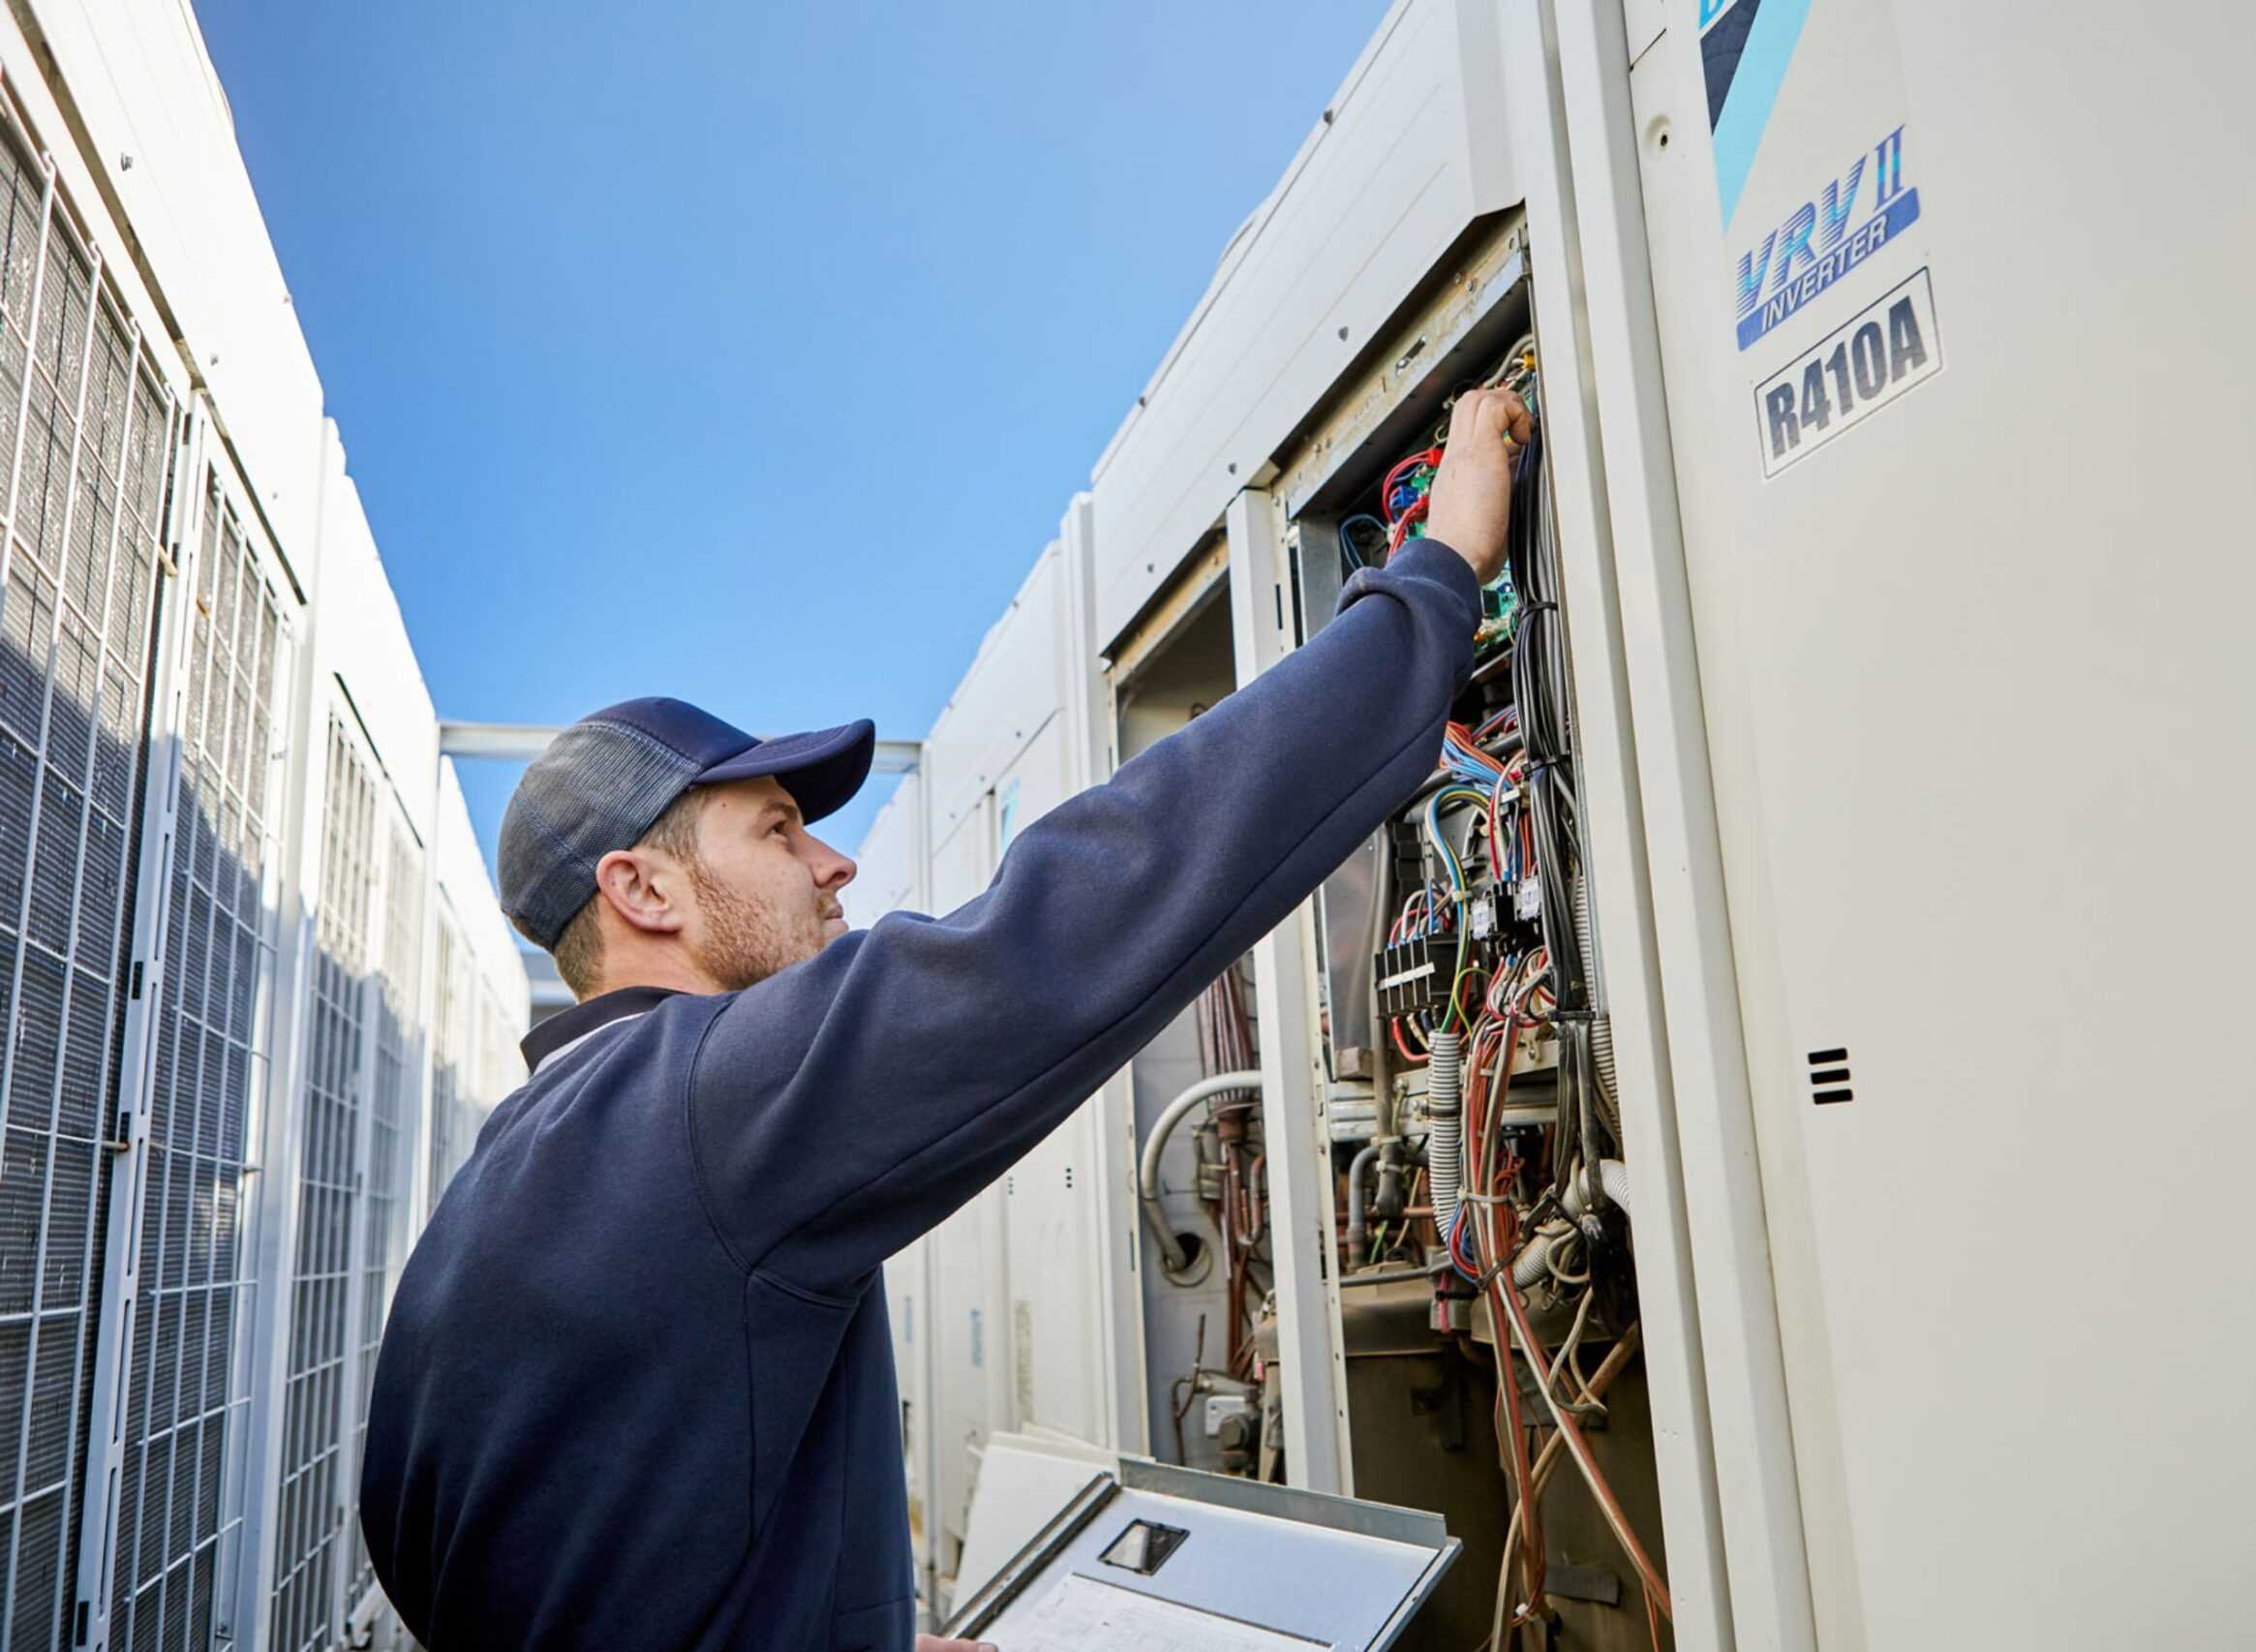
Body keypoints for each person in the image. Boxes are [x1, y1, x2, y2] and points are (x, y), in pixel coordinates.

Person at [360, 386, 1533, 1650]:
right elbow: (1090, 909)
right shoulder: (700, 1105)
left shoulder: (483, 1201)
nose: (836, 864)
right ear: (642, 891)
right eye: (778, 829)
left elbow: (480, 1570)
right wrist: (1435, 583)